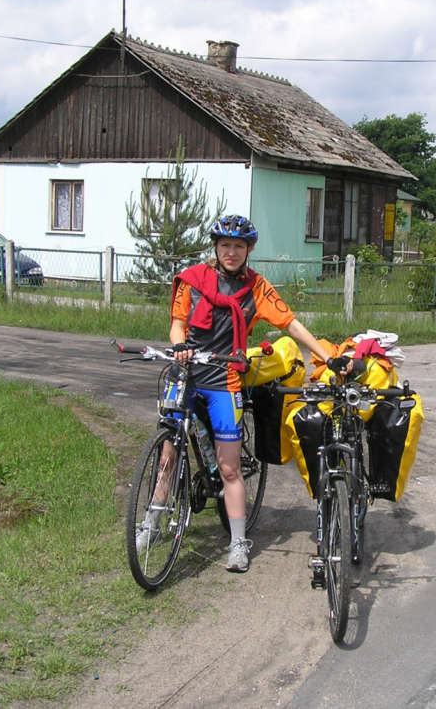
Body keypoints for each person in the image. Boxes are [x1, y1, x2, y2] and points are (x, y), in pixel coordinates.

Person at [138, 214, 349, 572]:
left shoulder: (257, 288)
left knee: (228, 467)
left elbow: (290, 324)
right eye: (225, 246)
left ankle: (238, 543)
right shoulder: (192, 280)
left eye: (238, 246)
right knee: (167, 453)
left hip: (225, 379)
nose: (231, 252)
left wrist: (326, 356)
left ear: (248, 249)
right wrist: (179, 347)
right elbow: (177, 324)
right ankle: (150, 524)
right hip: (187, 372)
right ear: (216, 248)